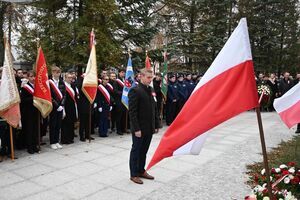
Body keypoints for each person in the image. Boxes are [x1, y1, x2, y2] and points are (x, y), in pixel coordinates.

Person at [128, 68, 159, 184]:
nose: (150, 80)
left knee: (144, 151)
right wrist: (136, 129)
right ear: (141, 76)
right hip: (139, 128)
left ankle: (141, 170)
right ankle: (134, 174)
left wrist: (156, 124)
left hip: (149, 127)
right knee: (136, 150)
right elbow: (132, 112)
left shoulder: (150, 89)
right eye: (148, 77)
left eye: (151, 78)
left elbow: (154, 108)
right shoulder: (135, 91)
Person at [20, 71, 40, 154]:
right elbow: (23, 100)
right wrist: (33, 98)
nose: (33, 78)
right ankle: (29, 147)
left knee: (35, 129)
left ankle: (35, 146)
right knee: (29, 130)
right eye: (31, 76)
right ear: (28, 77)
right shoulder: (25, 87)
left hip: (36, 111)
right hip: (28, 112)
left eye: (34, 76)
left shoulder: (37, 87)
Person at [49, 66, 66, 150]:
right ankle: (52, 142)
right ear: (52, 73)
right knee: (53, 125)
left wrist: (62, 105)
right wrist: (57, 105)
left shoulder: (62, 82)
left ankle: (56, 141)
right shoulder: (49, 82)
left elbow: (64, 95)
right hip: (53, 107)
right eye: (55, 72)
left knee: (58, 125)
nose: (57, 73)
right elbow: (49, 96)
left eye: (59, 72)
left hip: (60, 107)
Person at [61, 73, 78, 144]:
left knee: (71, 123)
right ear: (65, 78)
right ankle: (65, 139)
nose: (70, 79)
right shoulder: (63, 86)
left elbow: (75, 96)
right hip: (66, 106)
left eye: (71, 78)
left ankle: (71, 138)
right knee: (65, 124)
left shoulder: (73, 86)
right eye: (68, 77)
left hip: (72, 106)